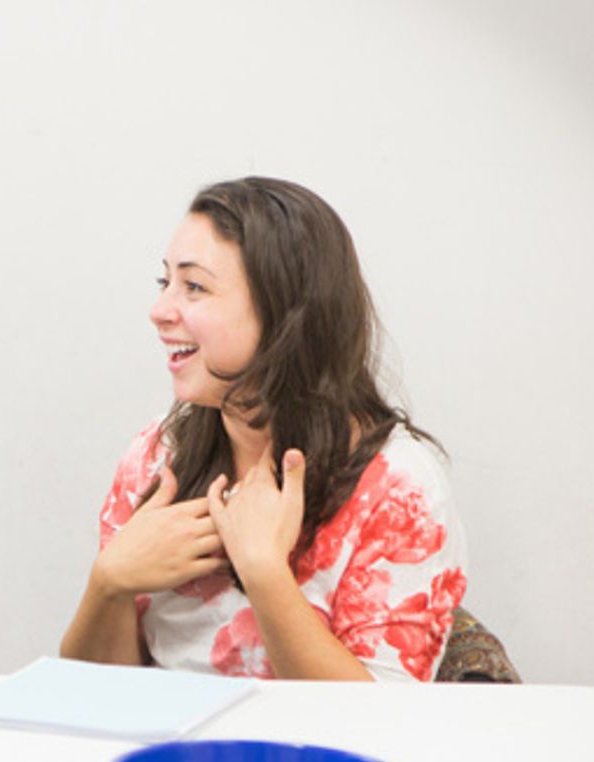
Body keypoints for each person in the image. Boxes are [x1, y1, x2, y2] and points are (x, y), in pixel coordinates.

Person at [60, 177, 465, 683]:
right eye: (165, 282)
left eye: (195, 287)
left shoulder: (400, 488)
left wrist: (265, 574)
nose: (160, 311)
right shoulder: (157, 457)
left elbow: (382, 722)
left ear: (285, 312)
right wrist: (109, 583)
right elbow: (91, 698)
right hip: (170, 759)